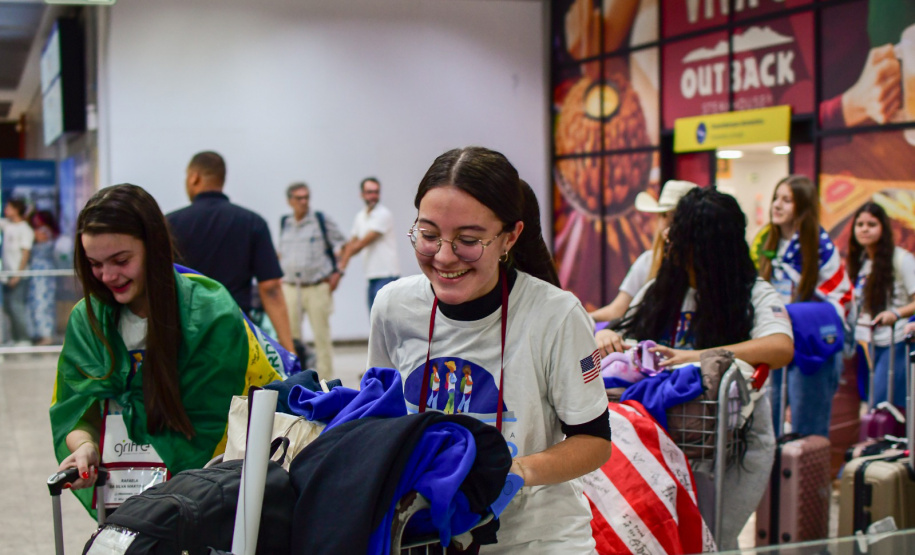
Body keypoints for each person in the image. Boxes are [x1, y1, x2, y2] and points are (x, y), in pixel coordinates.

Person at [368, 146, 612, 553]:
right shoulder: (393, 306)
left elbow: (594, 442)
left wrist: (515, 470)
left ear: (509, 237)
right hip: (423, 537)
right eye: (428, 235)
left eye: (468, 240)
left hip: (536, 540)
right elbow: (378, 415)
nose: (444, 256)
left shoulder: (555, 315)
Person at [50, 184, 282, 512]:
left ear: (153, 247)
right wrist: (85, 446)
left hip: (209, 495)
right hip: (123, 498)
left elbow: (213, 427)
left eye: (120, 260)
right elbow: (73, 410)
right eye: (95, 264)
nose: (108, 276)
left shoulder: (210, 314)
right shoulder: (87, 320)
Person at [600, 187, 794, 550]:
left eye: (680, 232)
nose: (668, 237)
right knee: (670, 539)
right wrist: (606, 335)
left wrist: (693, 356)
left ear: (706, 245)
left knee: (714, 540)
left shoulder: (753, 294)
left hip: (732, 445)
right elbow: (622, 332)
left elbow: (781, 347)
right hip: (659, 439)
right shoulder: (660, 290)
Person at [166, 151, 294, 352]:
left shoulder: (169, 224)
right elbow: (271, 288)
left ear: (194, 177)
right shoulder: (253, 222)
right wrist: (289, 350)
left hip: (186, 334)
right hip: (236, 332)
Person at [755, 175, 853, 437]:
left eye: (787, 200)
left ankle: (806, 477)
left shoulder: (820, 247)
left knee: (808, 425)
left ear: (803, 206)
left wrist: (796, 315)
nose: (777, 205)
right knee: (767, 423)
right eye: (776, 198)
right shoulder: (768, 241)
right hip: (775, 339)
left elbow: (840, 298)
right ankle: (775, 477)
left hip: (810, 346)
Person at [589, 180, 697, 324]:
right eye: (664, 216)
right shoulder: (648, 261)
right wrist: (583, 319)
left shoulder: (699, 266)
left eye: (674, 217)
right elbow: (618, 309)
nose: (667, 226)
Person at [847, 202, 915, 408]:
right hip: (866, 344)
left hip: (896, 342)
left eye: (871, 224)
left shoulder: (902, 259)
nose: (864, 229)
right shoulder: (860, 260)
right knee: (870, 404)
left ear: (883, 228)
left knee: (885, 405)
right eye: (860, 224)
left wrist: (895, 313)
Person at [278, 182, 347, 379]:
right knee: (290, 338)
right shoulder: (285, 223)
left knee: (321, 338)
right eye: (299, 198)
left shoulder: (320, 220)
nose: (304, 202)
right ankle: (293, 379)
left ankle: (326, 383)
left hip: (317, 287)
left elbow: (344, 244)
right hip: (290, 287)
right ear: (289, 201)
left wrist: (338, 272)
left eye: (306, 197)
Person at [338, 177, 400, 313]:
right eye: (369, 192)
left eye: (376, 192)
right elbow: (352, 242)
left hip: (387, 275)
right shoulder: (360, 216)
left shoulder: (383, 214)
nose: (373, 196)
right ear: (362, 194)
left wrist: (342, 265)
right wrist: (337, 254)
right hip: (371, 275)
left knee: (384, 318)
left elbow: (362, 243)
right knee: (374, 319)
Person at [1, 198, 34, 346]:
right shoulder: (7, 225)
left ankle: (24, 339)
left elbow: (25, 253)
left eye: (9, 207)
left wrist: (18, 274)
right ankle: (14, 339)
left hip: (19, 275)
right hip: (6, 275)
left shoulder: (25, 229)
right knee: (8, 307)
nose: (6, 209)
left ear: (16, 209)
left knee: (16, 306)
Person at [28, 210, 59, 345]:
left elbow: (35, 237)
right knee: (36, 303)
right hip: (37, 273)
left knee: (42, 303)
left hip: (43, 273)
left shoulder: (44, 231)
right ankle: (39, 333)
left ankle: (46, 335)